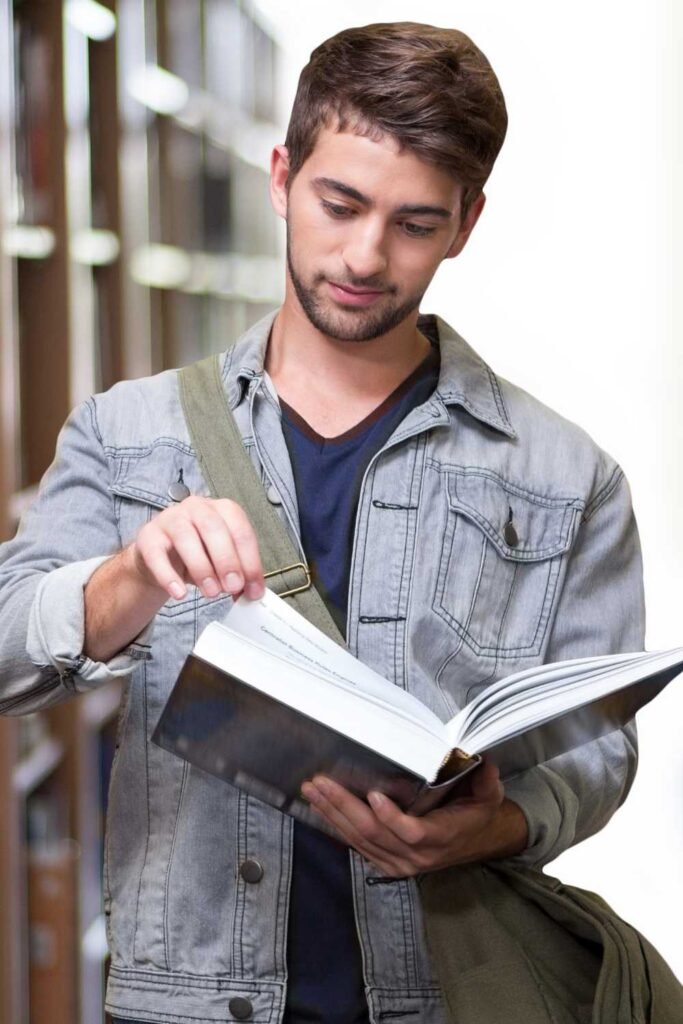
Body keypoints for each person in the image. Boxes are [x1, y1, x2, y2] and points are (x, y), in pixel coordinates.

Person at [0, 22, 644, 1024]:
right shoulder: (128, 432)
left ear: (466, 223)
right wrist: (123, 579)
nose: (363, 255)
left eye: (414, 224)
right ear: (279, 175)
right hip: (186, 1002)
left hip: (448, 996)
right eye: (337, 203)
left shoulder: (567, 474)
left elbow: (596, 752)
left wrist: (499, 823)